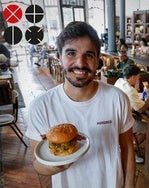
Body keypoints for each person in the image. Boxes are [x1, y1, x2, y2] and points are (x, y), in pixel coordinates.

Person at [26, 21, 136, 188]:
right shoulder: (41, 107)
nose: (80, 63)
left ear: (98, 59)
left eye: (89, 55)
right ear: (59, 56)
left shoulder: (117, 98)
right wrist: (58, 163)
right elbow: (37, 163)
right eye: (71, 53)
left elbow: (128, 150)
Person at [114, 64, 149, 163]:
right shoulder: (130, 90)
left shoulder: (119, 81)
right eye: (138, 76)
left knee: (138, 119)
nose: (140, 77)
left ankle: (129, 144)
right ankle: (130, 151)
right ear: (133, 77)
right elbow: (142, 109)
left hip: (115, 117)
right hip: (122, 122)